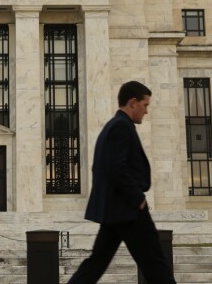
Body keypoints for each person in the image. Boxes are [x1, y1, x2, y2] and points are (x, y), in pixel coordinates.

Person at [67, 80, 176, 284]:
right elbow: (116, 167)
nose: (146, 111)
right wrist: (137, 199)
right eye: (145, 105)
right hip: (128, 210)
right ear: (133, 102)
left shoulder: (113, 126)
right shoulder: (120, 127)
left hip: (115, 211)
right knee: (155, 263)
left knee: (96, 263)